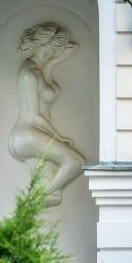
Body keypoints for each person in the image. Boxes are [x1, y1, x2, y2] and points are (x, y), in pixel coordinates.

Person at [8, 22, 85, 206]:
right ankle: (34, 200)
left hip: (32, 133)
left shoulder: (38, 69)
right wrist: (58, 137)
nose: (47, 52)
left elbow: (48, 89)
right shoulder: (29, 74)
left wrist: (54, 61)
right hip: (27, 135)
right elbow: (32, 116)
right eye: (44, 47)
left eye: (51, 49)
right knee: (75, 162)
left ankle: (39, 199)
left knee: (53, 194)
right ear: (35, 45)